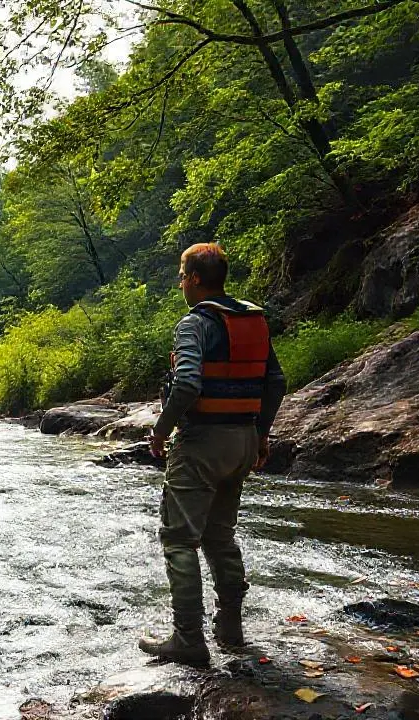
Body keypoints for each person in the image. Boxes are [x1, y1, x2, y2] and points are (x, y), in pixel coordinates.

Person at [139, 242, 286, 666]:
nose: (181, 283)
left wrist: (160, 431)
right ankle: (230, 630)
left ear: (196, 279)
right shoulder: (253, 319)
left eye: (182, 276)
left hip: (202, 442)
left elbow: (187, 384)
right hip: (242, 441)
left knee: (179, 539)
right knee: (220, 536)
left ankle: (188, 639)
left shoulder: (194, 324)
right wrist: (260, 435)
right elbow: (276, 382)